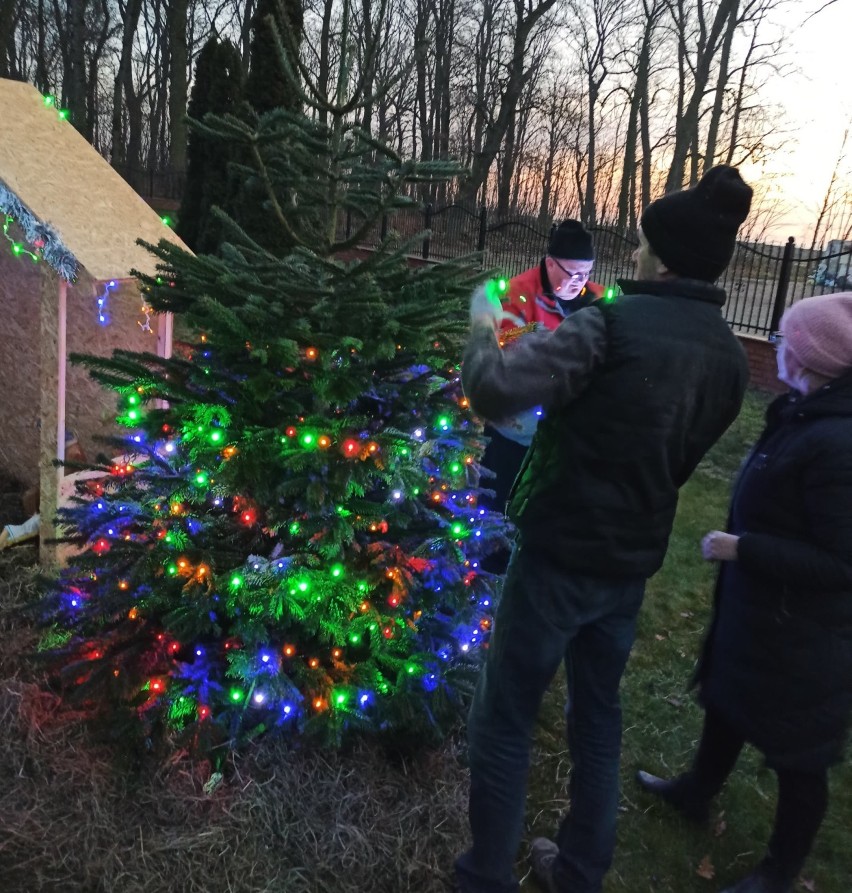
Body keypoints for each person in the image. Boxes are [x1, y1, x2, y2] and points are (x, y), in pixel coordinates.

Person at [453, 164, 753, 893]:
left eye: (645, 243)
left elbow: (492, 390)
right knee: (598, 712)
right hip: (631, 560)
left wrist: (483, 326)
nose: (637, 255)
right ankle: (582, 868)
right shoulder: (732, 357)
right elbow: (681, 455)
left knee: (505, 716)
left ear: (664, 254)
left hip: (559, 551)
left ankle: (484, 876)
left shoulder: (609, 326)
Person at [636, 292, 852, 893]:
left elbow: (843, 561)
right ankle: (695, 792)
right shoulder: (805, 412)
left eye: (788, 342)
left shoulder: (839, 443)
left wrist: (744, 548)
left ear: (815, 360)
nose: (778, 350)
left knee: (800, 753)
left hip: (806, 633)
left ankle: (780, 871)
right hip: (761, 613)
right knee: (727, 698)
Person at [479, 221, 603, 569]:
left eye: (587, 272)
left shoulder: (597, 299)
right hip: (513, 430)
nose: (580, 281)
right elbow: (509, 358)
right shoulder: (517, 296)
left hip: (564, 432)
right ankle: (492, 566)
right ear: (550, 263)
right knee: (500, 499)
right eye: (573, 272)